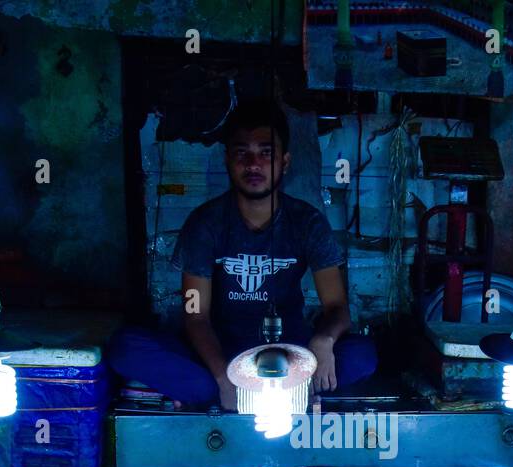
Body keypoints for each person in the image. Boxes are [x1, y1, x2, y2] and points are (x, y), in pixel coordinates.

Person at [110, 99, 377, 409]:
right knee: (125, 348)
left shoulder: (308, 222)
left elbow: (336, 307)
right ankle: (257, 393)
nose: (254, 164)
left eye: (266, 153)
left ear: (285, 162)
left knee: (362, 355)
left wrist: (324, 341)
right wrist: (224, 377)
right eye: (242, 153)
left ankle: (287, 386)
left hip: (291, 354)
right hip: (222, 352)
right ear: (227, 160)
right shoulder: (205, 224)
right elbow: (196, 317)